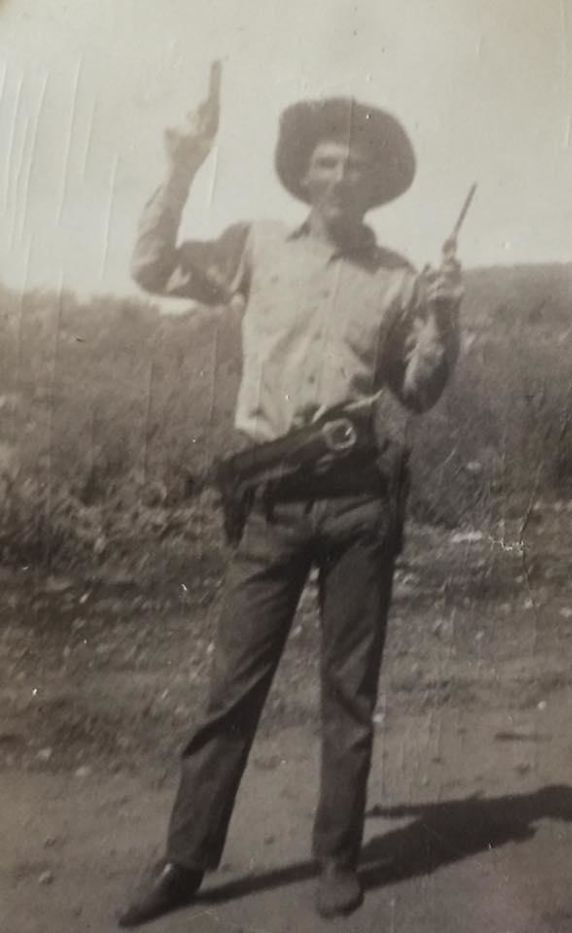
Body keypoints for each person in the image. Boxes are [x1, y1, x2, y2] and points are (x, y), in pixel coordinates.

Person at [118, 62, 464, 927]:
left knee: (350, 691)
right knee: (231, 691)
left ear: (376, 183)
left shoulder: (399, 278)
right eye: (326, 162)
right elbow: (150, 266)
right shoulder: (254, 247)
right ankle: (184, 860)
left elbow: (419, 391)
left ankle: (338, 857)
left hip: (357, 507)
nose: (341, 176)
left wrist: (445, 319)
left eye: (356, 166)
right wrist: (182, 165)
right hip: (269, 503)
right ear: (303, 174)